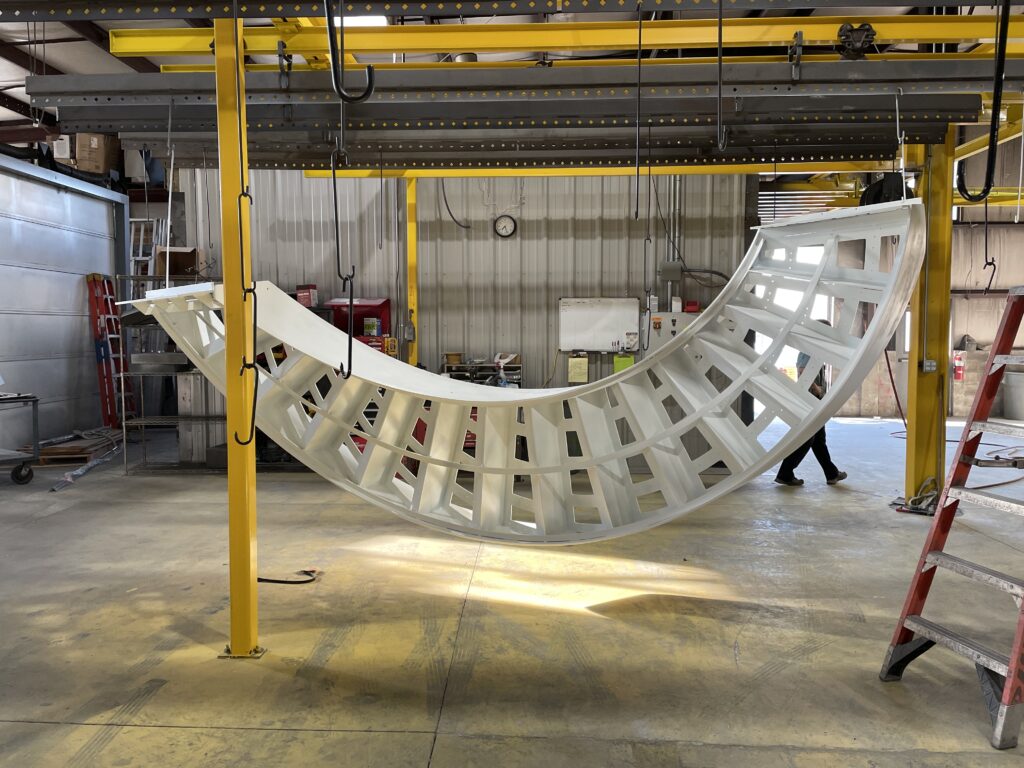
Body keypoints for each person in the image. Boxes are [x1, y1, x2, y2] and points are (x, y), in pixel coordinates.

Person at [774, 327, 847, 488]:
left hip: (813, 399)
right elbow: (801, 371)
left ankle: (831, 473)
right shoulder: (808, 350)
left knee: (818, 440)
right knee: (808, 438)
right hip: (809, 399)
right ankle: (785, 473)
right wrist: (816, 388)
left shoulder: (815, 350)